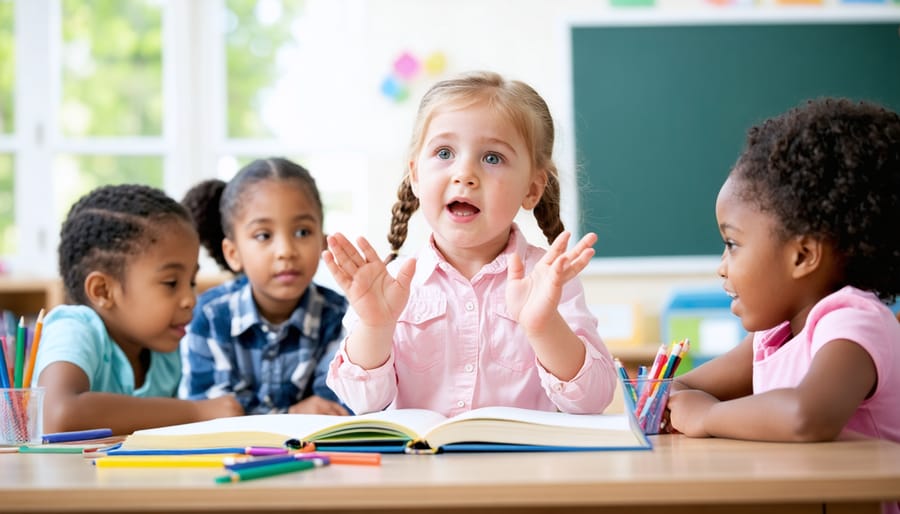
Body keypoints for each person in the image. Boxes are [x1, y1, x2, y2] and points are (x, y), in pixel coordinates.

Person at [323, 70, 616, 417]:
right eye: (444, 152)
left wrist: (543, 326)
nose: (465, 174)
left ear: (532, 189)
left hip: (526, 469)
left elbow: (592, 401)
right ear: (415, 175)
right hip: (420, 468)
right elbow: (362, 403)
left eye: (492, 157)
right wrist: (375, 326)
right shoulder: (390, 286)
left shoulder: (549, 281)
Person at [668, 99, 900, 452]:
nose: (722, 265)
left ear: (803, 255)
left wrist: (708, 416)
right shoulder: (774, 335)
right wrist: (667, 398)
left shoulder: (854, 324)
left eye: (732, 243)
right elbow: (682, 388)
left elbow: (807, 416)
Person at [33, 184, 243, 434]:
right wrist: (195, 412)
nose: (190, 299)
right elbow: (57, 415)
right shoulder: (75, 328)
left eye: (192, 282)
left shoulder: (165, 354)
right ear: (103, 291)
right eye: (171, 283)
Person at [179, 158, 349, 415]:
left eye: (302, 232)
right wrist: (290, 416)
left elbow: (331, 408)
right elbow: (212, 412)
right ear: (233, 253)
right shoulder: (210, 316)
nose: (285, 251)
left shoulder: (340, 315)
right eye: (263, 236)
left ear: (323, 241)